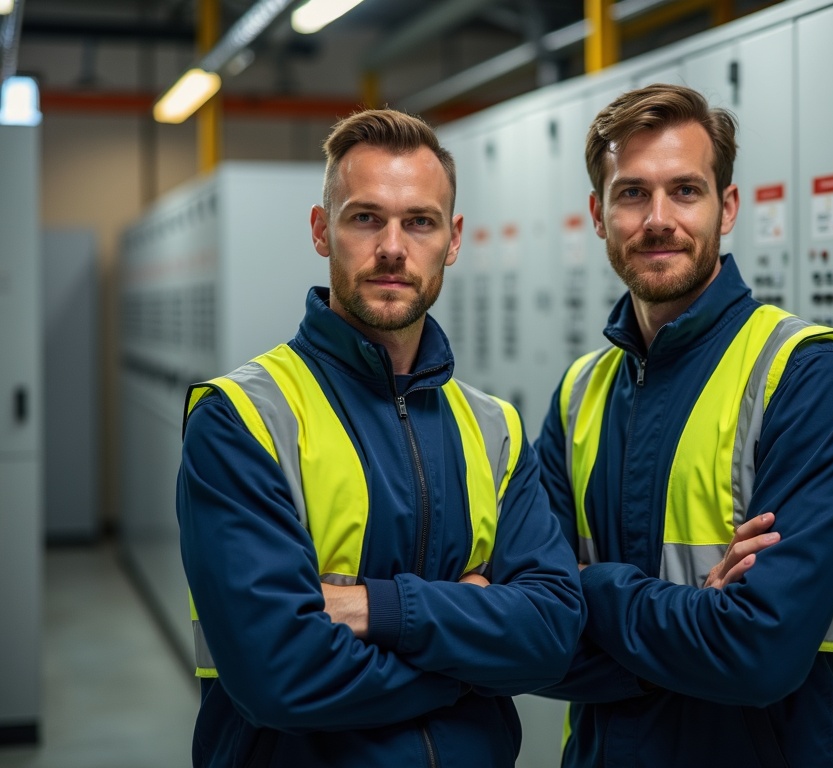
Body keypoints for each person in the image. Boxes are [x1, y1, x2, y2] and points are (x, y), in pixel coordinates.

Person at [175, 108, 589, 768]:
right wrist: (471, 666)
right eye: (366, 218)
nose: (393, 247)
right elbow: (278, 674)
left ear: (453, 239)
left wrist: (376, 609)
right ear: (322, 230)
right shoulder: (244, 419)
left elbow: (550, 633)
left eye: (419, 222)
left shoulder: (495, 430)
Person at [534, 83, 833, 767]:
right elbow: (522, 633)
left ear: (726, 207)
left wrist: (585, 587)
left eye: (685, 191)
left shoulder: (806, 377)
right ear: (598, 214)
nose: (658, 219)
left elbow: (758, 653)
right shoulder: (580, 393)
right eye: (632, 193)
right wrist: (699, 618)